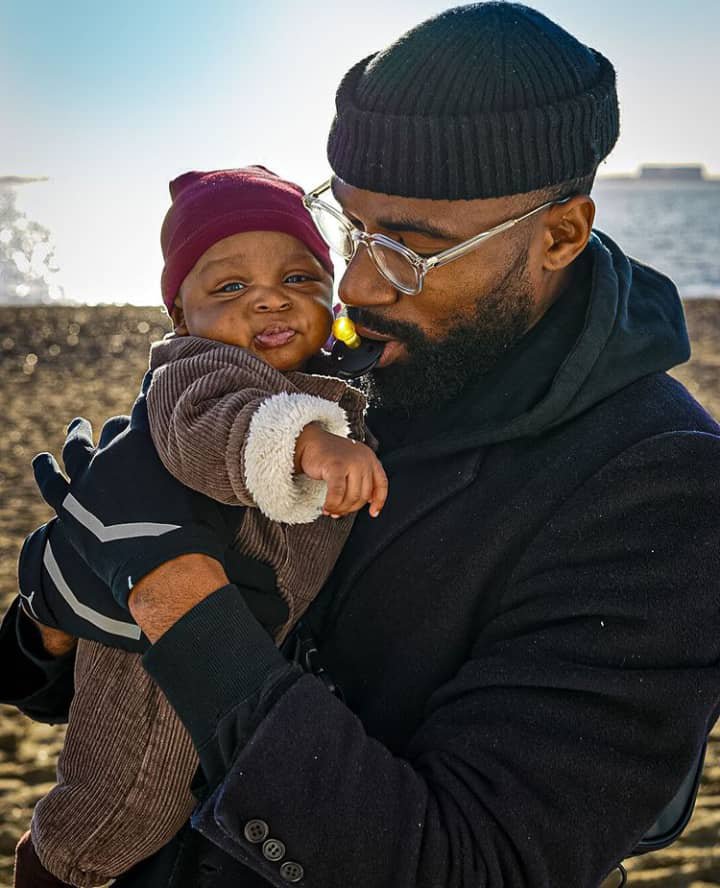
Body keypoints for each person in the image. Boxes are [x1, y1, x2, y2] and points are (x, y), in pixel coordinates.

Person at [3, 3, 720, 886]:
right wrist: (58, 606)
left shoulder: (658, 481)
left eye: (411, 249)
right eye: (350, 227)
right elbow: (81, 688)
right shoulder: (351, 356)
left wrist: (170, 588)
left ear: (560, 234)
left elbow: (469, 865)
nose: (354, 282)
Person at [10, 166, 386, 887]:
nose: (272, 298)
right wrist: (310, 444)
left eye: (302, 279)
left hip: (232, 631)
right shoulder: (198, 370)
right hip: (149, 652)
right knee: (123, 796)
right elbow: (212, 431)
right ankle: (53, 868)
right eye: (230, 288)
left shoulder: (328, 375)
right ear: (180, 316)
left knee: (176, 793)